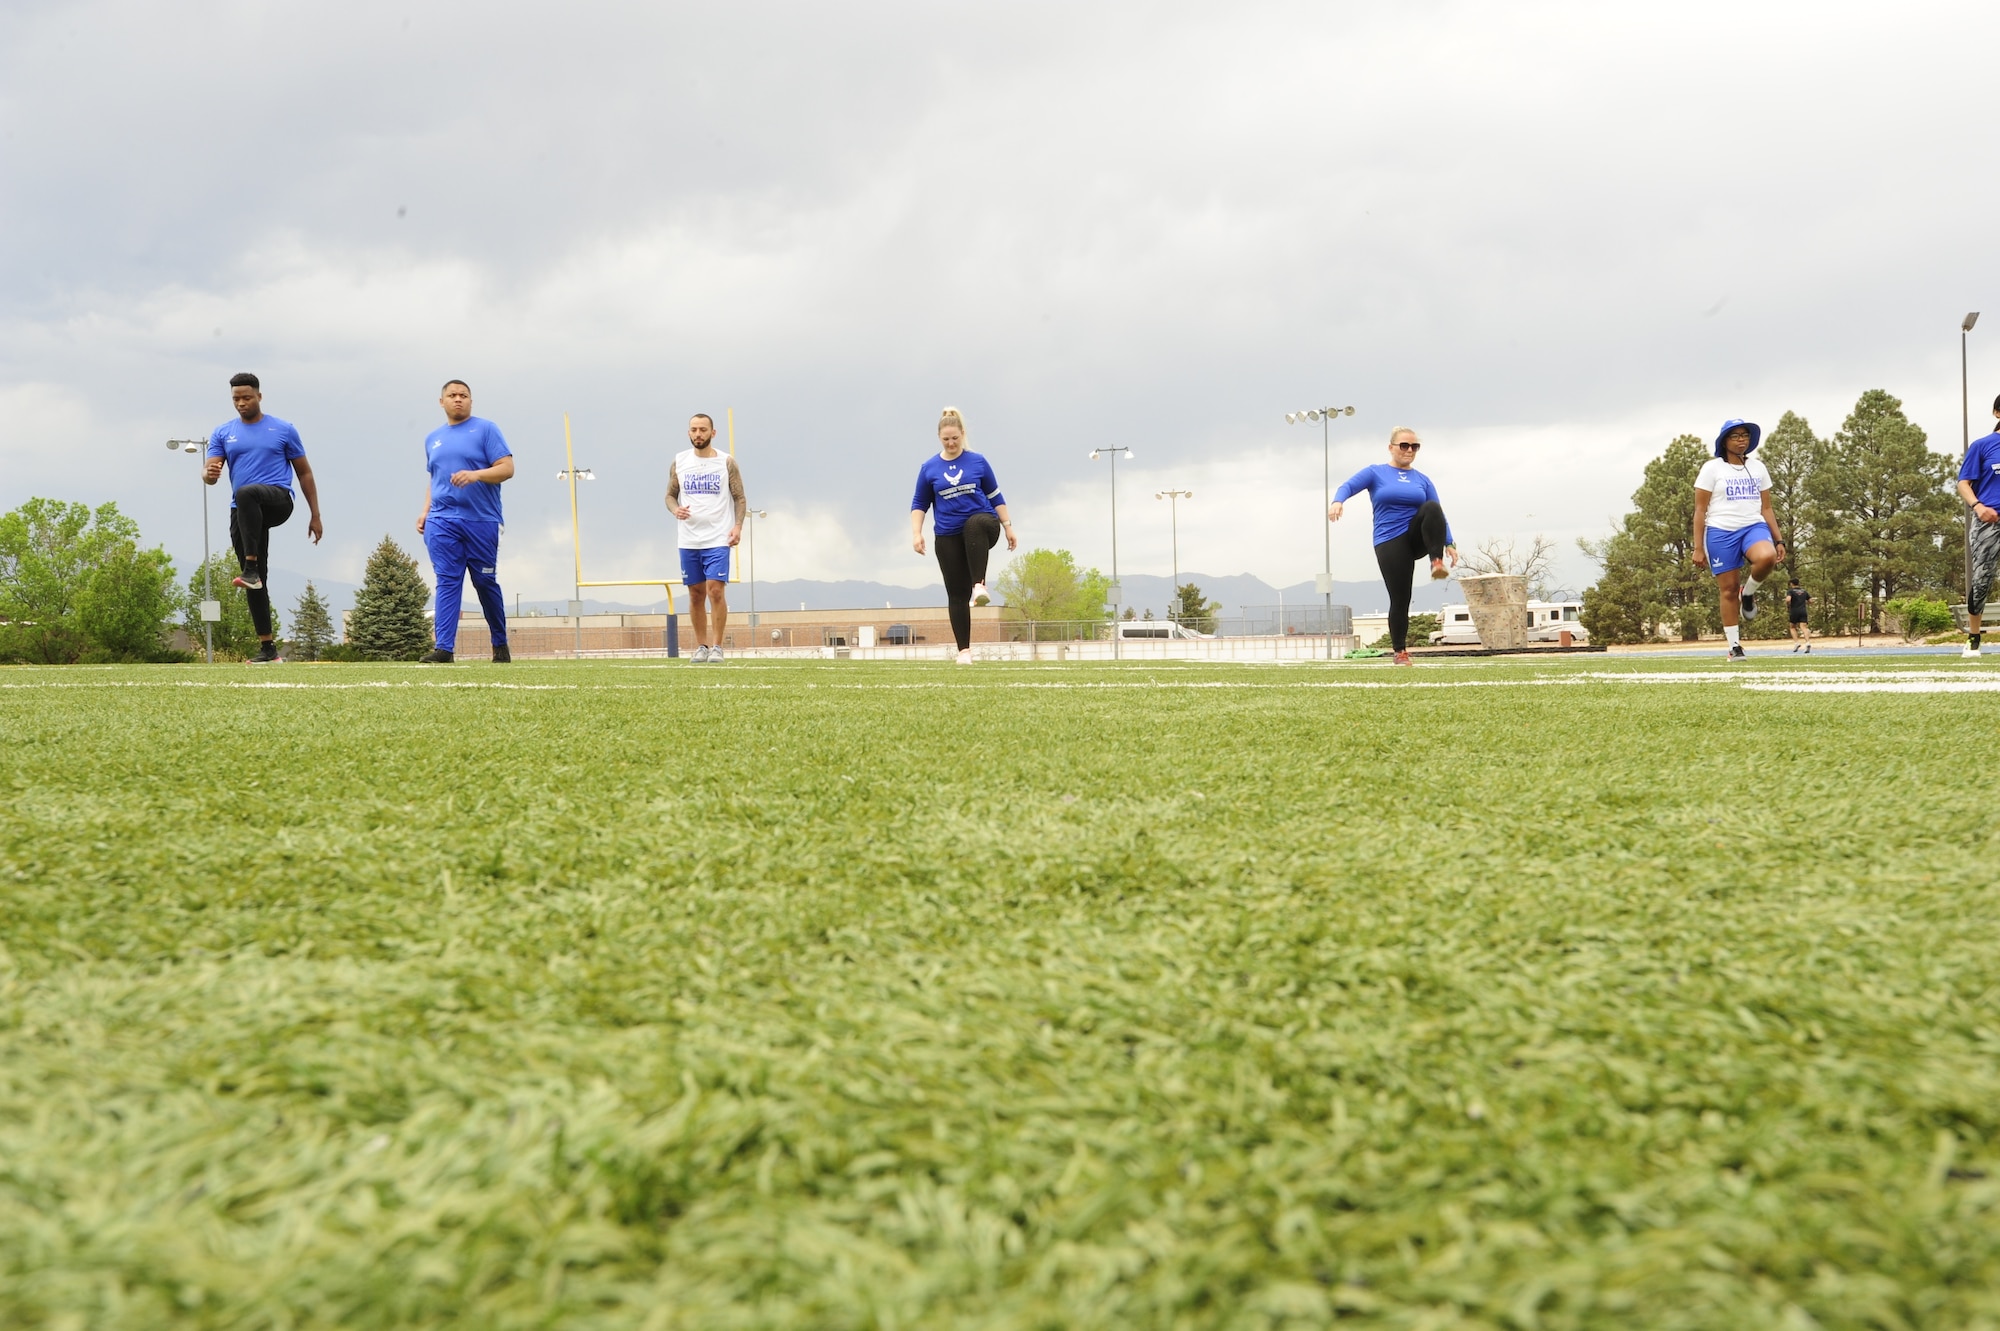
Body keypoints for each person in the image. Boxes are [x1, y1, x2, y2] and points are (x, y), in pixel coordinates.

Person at [205, 372, 324, 663]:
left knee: (246, 493)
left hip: (278, 500)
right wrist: (208, 474)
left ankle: (250, 565)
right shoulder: (223, 433)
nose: (241, 403)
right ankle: (268, 649)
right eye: (236, 399)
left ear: (259, 396)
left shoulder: (283, 430)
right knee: (256, 582)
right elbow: (210, 473)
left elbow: (304, 472)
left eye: (247, 397)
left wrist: (315, 515)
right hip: (244, 512)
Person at [1328, 427, 1457, 666]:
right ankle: (1400, 652)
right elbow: (1347, 486)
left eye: (1414, 446)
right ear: (1391, 447)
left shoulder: (1422, 479)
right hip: (1390, 541)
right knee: (1401, 598)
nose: (1409, 450)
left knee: (1431, 508)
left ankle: (1435, 561)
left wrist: (1449, 543)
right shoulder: (1375, 473)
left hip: (1417, 538)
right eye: (1404, 446)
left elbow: (1439, 514)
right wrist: (1338, 501)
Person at [416, 380, 514, 664]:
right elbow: (434, 478)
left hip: (481, 519)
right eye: (452, 395)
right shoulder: (432, 438)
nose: (458, 399)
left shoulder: (486, 429)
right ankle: (444, 649)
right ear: (441, 401)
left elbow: (507, 469)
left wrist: (476, 475)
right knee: (447, 580)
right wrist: (425, 510)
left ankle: (500, 643)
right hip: (442, 520)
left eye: (464, 395)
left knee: (484, 581)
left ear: (471, 401)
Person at [910, 406, 1015, 664]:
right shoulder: (929, 468)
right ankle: (964, 651)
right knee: (956, 595)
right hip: (948, 535)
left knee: (973, 524)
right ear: (939, 438)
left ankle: (979, 583)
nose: (951, 442)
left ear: (962, 434)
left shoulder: (978, 461)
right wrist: (916, 533)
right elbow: (919, 503)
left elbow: (995, 496)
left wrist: (1008, 526)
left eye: (955, 438)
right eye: (946, 439)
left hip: (984, 526)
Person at [1693, 418, 1785, 662]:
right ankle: (1734, 646)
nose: (1741, 439)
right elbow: (1700, 511)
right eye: (1735, 436)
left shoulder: (1758, 468)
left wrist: (1779, 540)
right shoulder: (1711, 469)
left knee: (1766, 557)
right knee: (1728, 590)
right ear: (1724, 441)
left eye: (1745, 435)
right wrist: (1698, 547)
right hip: (1720, 531)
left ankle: (1749, 593)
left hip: (1753, 526)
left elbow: (1767, 508)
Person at [666, 413, 747, 662]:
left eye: (703, 429)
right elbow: (670, 495)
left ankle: (717, 647)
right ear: (688, 432)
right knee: (695, 593)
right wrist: (675, 509)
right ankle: (701, 646)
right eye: (693, 429)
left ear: (713, 433)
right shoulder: (680, 461)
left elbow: (739, 497)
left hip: (717, 537)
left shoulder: (726, 462)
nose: (698, 434)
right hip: (689, 539)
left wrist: (737, 526)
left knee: (716, 592)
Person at [1956, 394, 2000, 659]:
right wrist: (1978, 506)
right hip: (1988, 523)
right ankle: (1974, 639)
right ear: (1997, 413)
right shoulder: (1983, 446)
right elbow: (1964, 483)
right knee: (1983, 578)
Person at [1786, 577, 1812, 653]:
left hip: (1794, 611)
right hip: (1803, 611)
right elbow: (1811, 601)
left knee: (1792, 627)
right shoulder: (1804, 591)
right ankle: (1807, 643)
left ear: (1791, 584)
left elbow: (1788, 599)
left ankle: (1797, 643)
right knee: (1804, 627)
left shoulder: (1791, 591)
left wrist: (1788, 604)